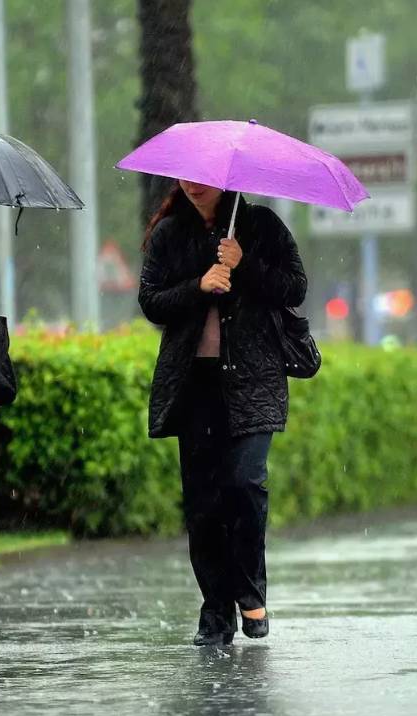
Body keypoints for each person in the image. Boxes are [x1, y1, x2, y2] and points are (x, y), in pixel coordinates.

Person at [138, 182, 306, 646]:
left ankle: (250, 593)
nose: (193, 185)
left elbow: (295, 287)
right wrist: (199, 285)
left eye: (204, 177)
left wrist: (243, 264)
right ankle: (216, 609)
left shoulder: (260, 226)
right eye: (186, 177)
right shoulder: (170, 234)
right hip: (194, 383)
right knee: (203, 503)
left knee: (246, 483)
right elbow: (150, 301)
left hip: (254, 380)